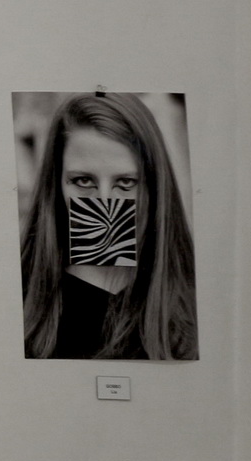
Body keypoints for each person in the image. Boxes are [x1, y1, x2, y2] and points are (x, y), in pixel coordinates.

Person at [20, 92, 196, 360]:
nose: (104, 202)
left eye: (125, 183)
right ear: (55, 185)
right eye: (83, 181)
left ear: (154, 187)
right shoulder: (19, 300)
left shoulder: (198, 302)